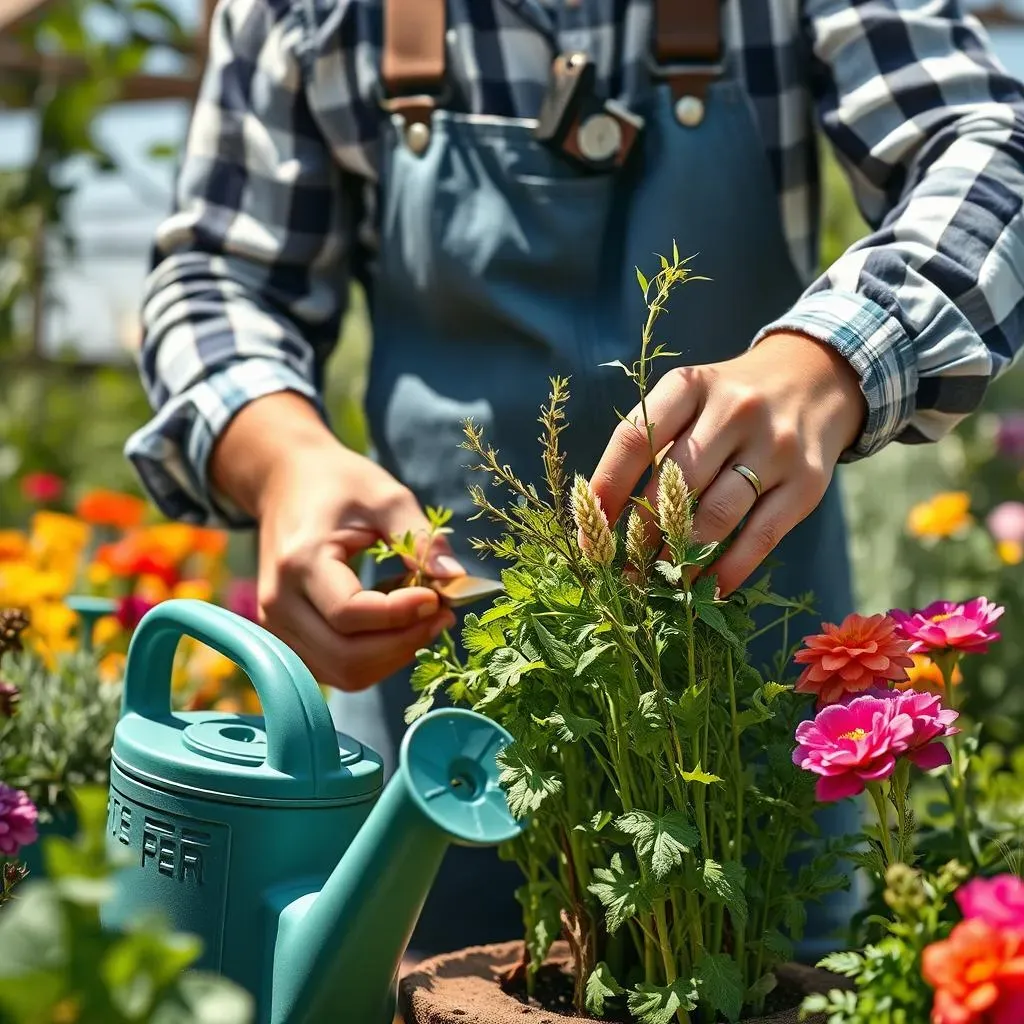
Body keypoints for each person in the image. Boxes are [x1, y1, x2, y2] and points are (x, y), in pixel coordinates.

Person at [126, 0, 1024, 958]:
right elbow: (218, 275)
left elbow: (990, 148)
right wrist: (282, 460)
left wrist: (833, 360)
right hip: (432, 752)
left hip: (748, 745)